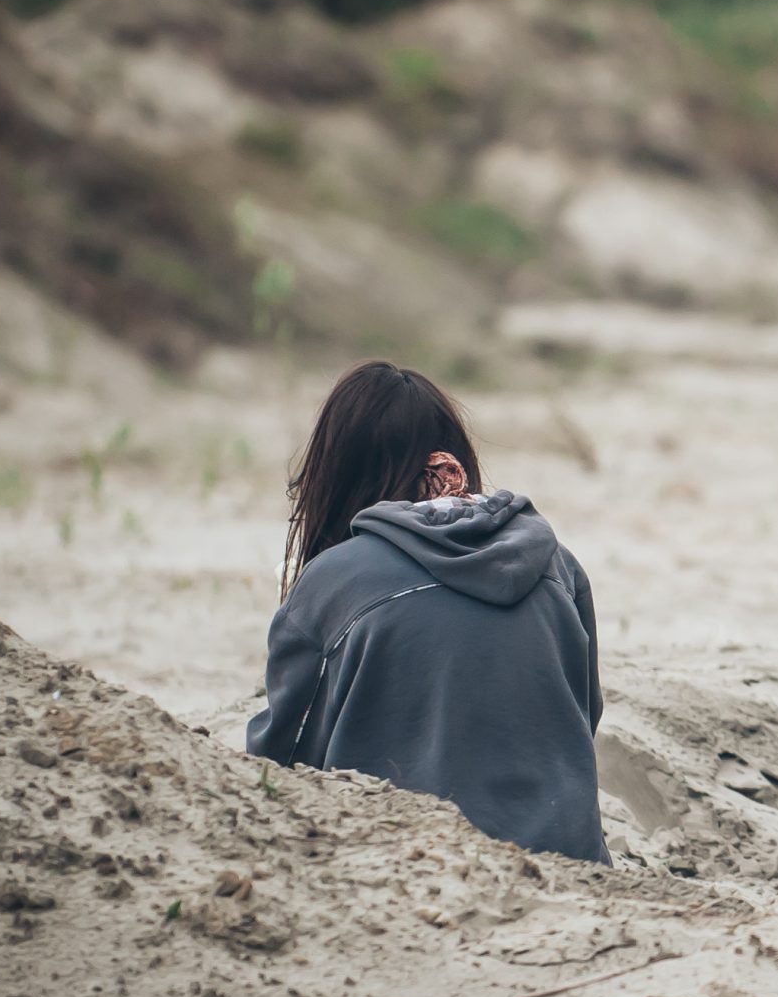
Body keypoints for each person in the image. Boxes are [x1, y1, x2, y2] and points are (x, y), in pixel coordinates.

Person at [246, 360, 609, 864]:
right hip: (574, 865)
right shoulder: (556, 562)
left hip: (411, 867)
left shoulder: (333, 581)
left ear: (338, 474)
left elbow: (278, 765)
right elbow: (582, 716)